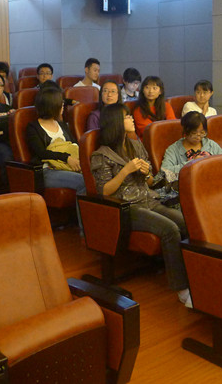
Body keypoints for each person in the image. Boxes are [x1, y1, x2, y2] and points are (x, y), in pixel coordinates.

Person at [90, 103, 191, 307]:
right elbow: (104, 190)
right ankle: (182, 289)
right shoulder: (101, 154)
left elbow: (151, 181)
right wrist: (125, 171)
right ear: (116, 123)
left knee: (187, 223)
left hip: (148, 199)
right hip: (126, 207)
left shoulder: (135, 145)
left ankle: (195, 276)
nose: (131, 119)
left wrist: (146, 174)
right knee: (170, 229)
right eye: (126, 117)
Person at [25, 85, 87, 197]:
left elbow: (74, 144)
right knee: (84, 181)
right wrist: (66, 158)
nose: (63, 106)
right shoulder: (33, 127)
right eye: (60, 103)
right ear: (52, 106)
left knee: (96, 178)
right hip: (48, 170)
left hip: (68, 166)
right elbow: (41, 153)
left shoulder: (61, 124)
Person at [160, 111, 222, 183]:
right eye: (194, 133)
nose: (198, 137)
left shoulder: (210, 145)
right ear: (185, 130)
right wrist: (191, 163)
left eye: (202, 133)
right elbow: (164, 172)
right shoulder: (174, 149)